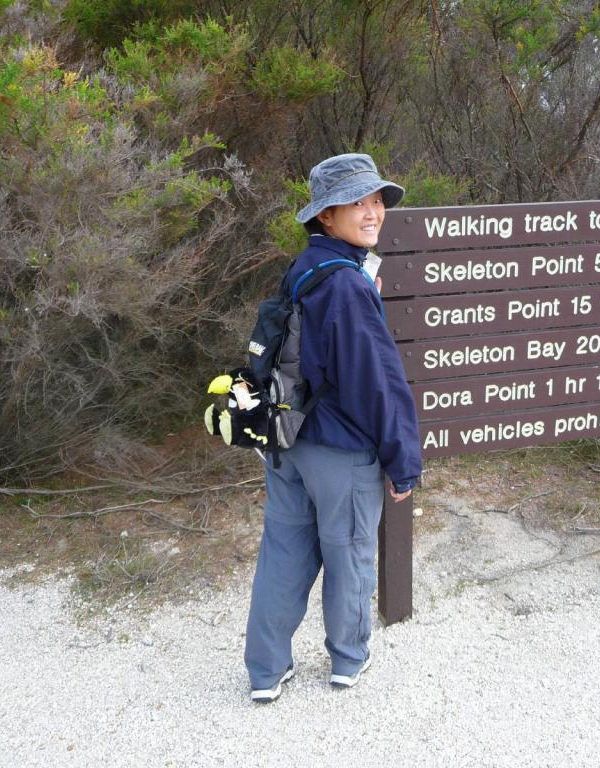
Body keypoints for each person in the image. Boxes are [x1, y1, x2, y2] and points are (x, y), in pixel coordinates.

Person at [244, 153, 423, 703]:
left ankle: (266, 672)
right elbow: (378, 384)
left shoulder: (305, 267)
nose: (372, 212)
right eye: (357, 203)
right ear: (325, 216)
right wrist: (403, 461)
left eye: (376, 201)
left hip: (289, 441)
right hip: (340, 450)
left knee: (284, 552)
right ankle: (348, 659)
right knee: (347, 551)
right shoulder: (346, 284)